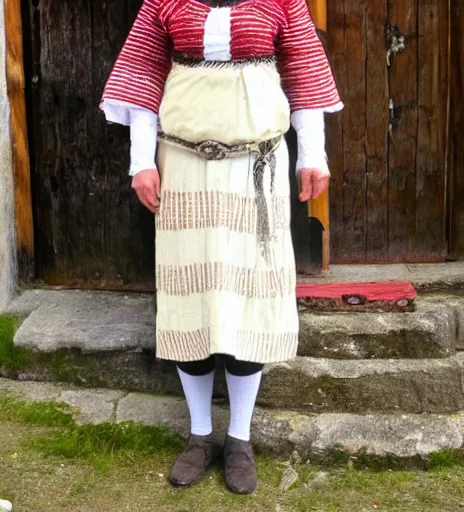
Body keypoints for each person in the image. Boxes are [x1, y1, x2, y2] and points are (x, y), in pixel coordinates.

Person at [100, 0, 342, 495]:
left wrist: (312, 156)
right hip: (184, 166)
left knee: (246, 299)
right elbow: (143, 79)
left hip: (257, 166)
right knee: (192, 298)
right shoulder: (163, 4)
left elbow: (306, 77)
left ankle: (239, 439)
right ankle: (200, 434)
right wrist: (140, 162)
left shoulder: (283, 3)